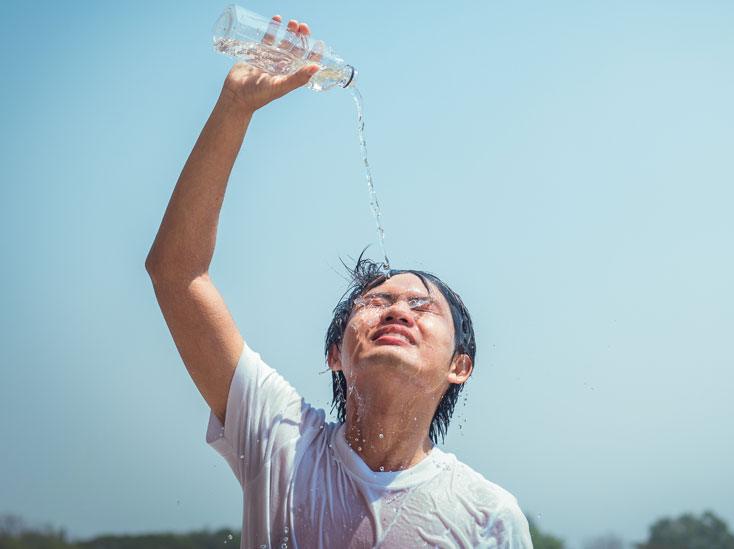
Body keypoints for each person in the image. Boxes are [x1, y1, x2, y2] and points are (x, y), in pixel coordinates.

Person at [144, 15, 532, 548]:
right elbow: (175, 272)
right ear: (335, 354)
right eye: (375, 302)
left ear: (459, 367)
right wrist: (234, 107)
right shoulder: (281, 442)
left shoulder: (487, 516)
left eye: (422, 306)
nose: (397, 310)